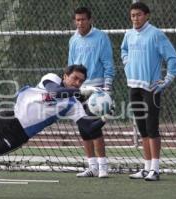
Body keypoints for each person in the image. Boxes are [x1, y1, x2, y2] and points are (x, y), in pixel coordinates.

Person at [121, 2, 176, 181]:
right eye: (133, 15)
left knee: (152, 128)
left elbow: (172, 58)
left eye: (139, 15)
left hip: (151, 88)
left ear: (147, 15)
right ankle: (146, 168)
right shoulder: (128, 34)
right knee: (142, 130)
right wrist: (127, 62)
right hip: (134, 86)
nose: (135, 18)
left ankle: (155, 169)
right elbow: (123, 50)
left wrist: (167, 79)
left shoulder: (156, 34)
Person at [68, 6, 115, 178]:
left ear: (90, 20)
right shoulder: (73, 40)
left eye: (83, 19)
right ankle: (92, 166)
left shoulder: (101, 37)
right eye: (77, 20)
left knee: (95, 129)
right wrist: (70, 87)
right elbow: (71, 66)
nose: (80, 23)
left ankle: (103, 166)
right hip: (78, 90)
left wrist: (107, 88)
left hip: (97, 90)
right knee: (83, 128)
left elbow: (108, 64)